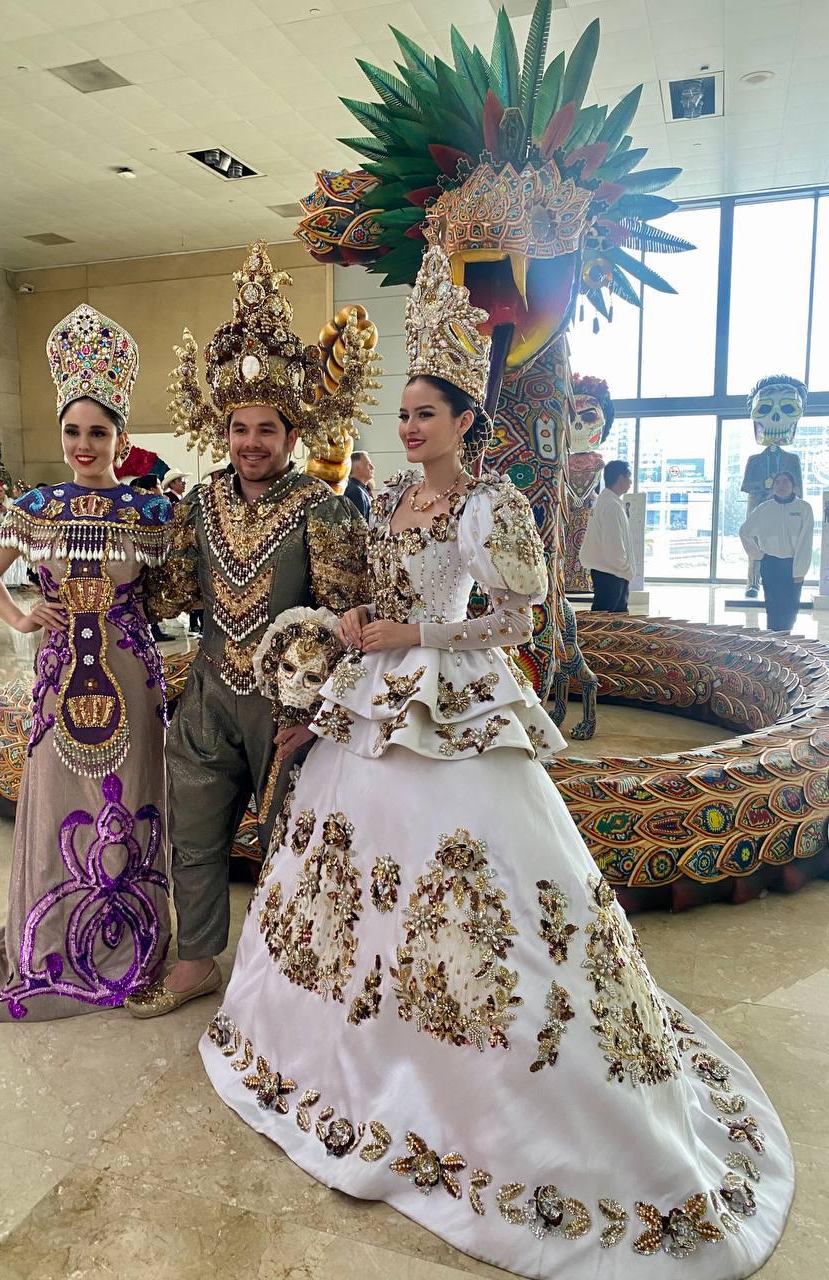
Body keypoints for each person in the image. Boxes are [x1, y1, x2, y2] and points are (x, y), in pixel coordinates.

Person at [196, 246, 792, 1278]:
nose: (413, 424)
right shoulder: (387, 503)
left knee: (480, 898)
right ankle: (346, 1063)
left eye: (431, 410)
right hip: (376, 700)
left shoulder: (493, 506)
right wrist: (359, 625)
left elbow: (518, 614)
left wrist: (414, 639)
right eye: (408, 409)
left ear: (468, 418)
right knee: (348, 884)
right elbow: (385, 599)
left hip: (449, 701)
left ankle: (481, 1089)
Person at [125, 241, 371, 1019]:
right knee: (194, 833)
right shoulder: (197, 505)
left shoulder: (325, 509)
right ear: (221, 431)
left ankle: (287, 975)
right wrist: (119, 550)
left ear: (293, 436)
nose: (251, 443)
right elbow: (167, 592)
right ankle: (197, 959)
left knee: (292, 843)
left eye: (267, 429)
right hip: (207, 694)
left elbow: (348, 618)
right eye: (239, 429)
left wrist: (319, 711)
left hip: (290, 709)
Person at [0, 304, 174, 1021]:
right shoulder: (34, 507)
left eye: (99, 432)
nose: (85, 445)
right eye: (73, 432)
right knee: (59, 803)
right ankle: (53, 941)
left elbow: (178, 591)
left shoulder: (148, 513)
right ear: (62, 434)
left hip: (135, 682)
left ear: (120, 436)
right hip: (58, 685)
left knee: (133, 796)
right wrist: (22, 616)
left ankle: (132, 940)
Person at [740, 470, 814, 633]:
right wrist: (758, 555)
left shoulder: (804, 508)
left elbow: (805, 542)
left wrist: (800, 570)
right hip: (770, 564)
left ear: (793, 486)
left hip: (793, 565)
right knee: (773, 607)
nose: (782, 485)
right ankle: (774, 644)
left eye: (785, 481)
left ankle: (786, 641)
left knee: (790, 609)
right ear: (773, 487)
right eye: (778, 482)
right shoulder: (764, 508)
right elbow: (745, 532)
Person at [579, 458, 634, 612]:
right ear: (620, 478)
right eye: (628, 477)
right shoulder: (611, 505)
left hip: (608, 571)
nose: (630, 482)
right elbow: (613, 544)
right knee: (608, 623)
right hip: (612, 573)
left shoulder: (608, 501)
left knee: (608, 620)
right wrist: (625, 568)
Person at [0, 480, 30, 589]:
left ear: (4, 491)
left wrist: (5, 510)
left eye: (0, 491)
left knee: (9, 554)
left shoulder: (10, 501)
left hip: (9, 529)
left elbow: (14, 515)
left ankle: (13, 578)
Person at [345, 450, 374, 522]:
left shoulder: (360, 489)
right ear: (357, 467)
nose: (372, 467)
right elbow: (361, 527)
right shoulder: (355, 492)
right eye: (368, 464)